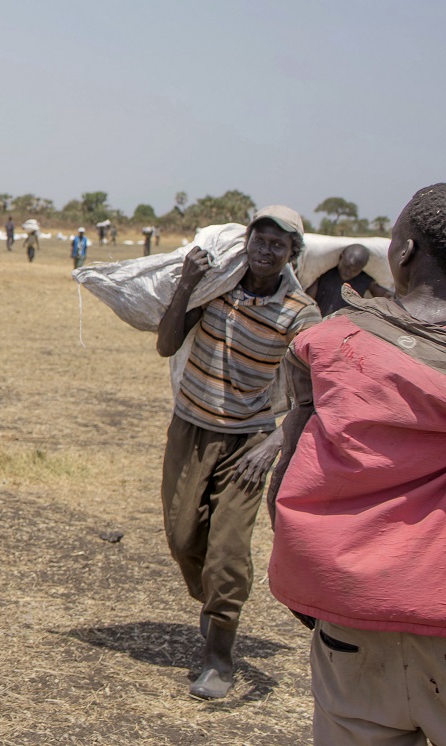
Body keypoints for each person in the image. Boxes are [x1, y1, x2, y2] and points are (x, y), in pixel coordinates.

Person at [267, 185, 446, 745]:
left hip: (352, 620)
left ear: (405, 251)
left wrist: (321, 597)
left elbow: (286, 485)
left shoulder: (332, 344)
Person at [155, 205, 320, 699]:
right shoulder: (217, 287)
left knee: (227, 549)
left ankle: (219, 655)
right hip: (189, 427)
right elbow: (166, 346)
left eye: (278, 245)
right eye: (260, 239)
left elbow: (314, 395)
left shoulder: (300, 312)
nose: (265, 251)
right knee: (183, 537)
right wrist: (186, 285)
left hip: (248, 441)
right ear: (246, 240)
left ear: (293, 254)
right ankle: (213, 605)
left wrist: (273, 443)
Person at [304, 243, 393, 316]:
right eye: (346, 266)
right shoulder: (325, 274)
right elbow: (309, 300)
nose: (348, 272)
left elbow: (385, 296)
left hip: (344, 325)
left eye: (355, 270)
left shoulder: (364, 280)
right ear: (341, 257)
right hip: (318, 320)